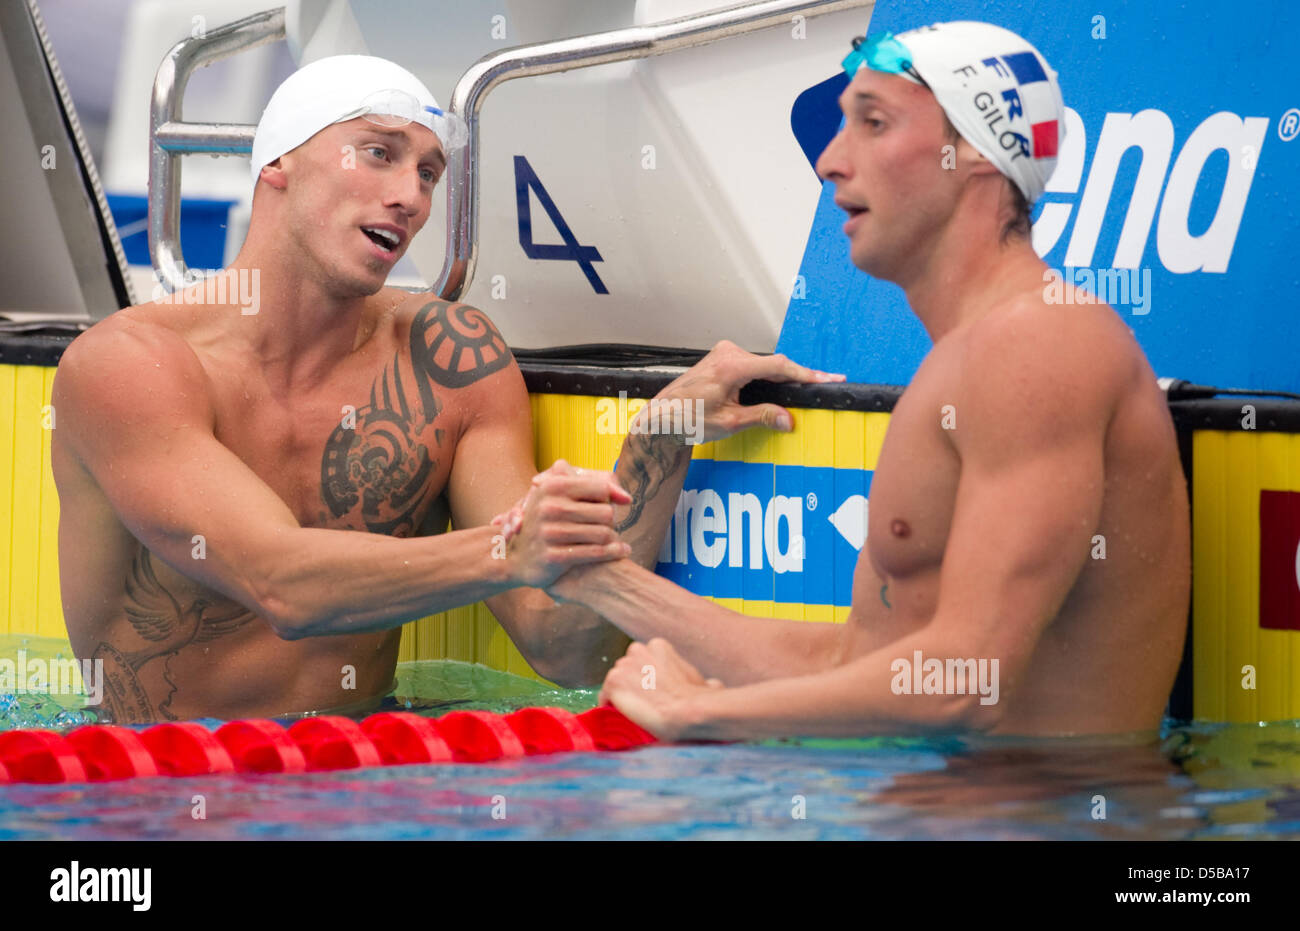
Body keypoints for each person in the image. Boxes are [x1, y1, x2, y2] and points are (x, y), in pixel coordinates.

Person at [51, 55, 840, 723]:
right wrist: (506, 550)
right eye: (379, 153)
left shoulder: (449, 360)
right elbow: (281, 582)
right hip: (147, 781)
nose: (411, 195)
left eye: (429, 172)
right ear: (277, 166)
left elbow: (561, 645)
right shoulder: (130, 366)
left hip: (371, 773)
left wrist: (657, 443)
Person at [546, 22, 1190, 739]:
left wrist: (701, 710)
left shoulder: (1036, 346)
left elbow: (967, 680)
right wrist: (602, 576)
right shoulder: (969, 357)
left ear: (973, 150)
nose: (827, 160)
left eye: (873, 123)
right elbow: (855, 661)